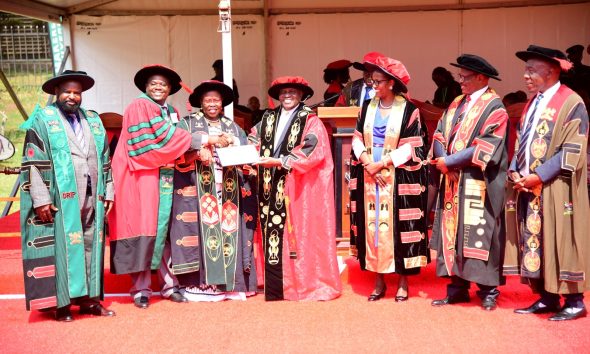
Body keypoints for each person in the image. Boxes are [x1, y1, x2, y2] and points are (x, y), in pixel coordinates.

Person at [20, 70, 115, 321]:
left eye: (77, 93)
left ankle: (89, 300)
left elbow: (105, 158)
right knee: (65, 247)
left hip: (93, 194)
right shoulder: (43, 120)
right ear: (56, 93)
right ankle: (62, 303)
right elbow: (32, 162)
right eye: (67, 92)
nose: (72, 97)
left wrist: (110, 190)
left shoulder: (93, 120)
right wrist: (41, 199)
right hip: (62, 197)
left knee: (90, 246)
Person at [505, 45, 589, 321]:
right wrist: (516, 169)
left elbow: (572, 150)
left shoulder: (571, 102)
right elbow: (523, 141)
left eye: (532, 70)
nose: (526, 75)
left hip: (558, 189)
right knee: (538, 239)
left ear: (552, 71)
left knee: (563, 239)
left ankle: (575, 300)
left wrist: (539, 175)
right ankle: (548, 297)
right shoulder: (534, 101)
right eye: (525, 69)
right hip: (531, 187)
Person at [110, 64, 201, 309]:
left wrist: (192, 152)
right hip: (140, 176)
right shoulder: (139, 106)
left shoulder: (171, 110)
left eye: (163, 84)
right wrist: (203, 139)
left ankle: (169, 285)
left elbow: (174, 145)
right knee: (145, 230)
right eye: (154, 83)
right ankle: (140, 289)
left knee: (165, 231)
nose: (158, 87)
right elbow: (158, 140)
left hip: (163, 176)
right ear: (145, 87)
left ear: (170, 89)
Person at [249, 76, 342, 301]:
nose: (287, 95)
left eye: (292, 91)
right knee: (272, 234)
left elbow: (313, 149)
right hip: (270, 185)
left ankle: (302, 284)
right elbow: (253, 138)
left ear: (301, 95)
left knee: (300, 234)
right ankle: (276, 284)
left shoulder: (310, 120)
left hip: (297, 187)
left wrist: (280, 162)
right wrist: (248, 153)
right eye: (283, 92)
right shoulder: (268, 118)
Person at [430, 54, 508, 311]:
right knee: (453, 233)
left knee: (480, 234)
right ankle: (457, 289)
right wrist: (443, 162)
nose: (460, 81)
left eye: (465, 77)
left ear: (482, 78)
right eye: (459, 76)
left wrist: (450, 163)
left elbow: (487, 145)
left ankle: (488, 291)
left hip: (478, 181)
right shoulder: (456, 103)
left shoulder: (494, 107)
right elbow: (439, 133)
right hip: (452, 182)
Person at [349, 56, 429, 302]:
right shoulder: (367, 107)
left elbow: (414, 147)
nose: (374, 85)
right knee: (372, 229)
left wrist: (382, 163)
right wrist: (366, 162)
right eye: (372, 81)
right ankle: (378, 279)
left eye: (378, 81)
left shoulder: (409, 110)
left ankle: (403, 281)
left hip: (398, 177)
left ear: (392, 83)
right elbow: (356, 137)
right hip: (370, 177)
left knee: (398, 229)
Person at [168, 80, 258, 301]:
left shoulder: (234, 127)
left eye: (216, 100)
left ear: (222, 103)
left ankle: (229, 285)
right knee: (204, 236)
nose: (212, 104)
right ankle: (202, 287)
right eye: (207, 100)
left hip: (228, 189)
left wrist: (242, 156)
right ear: (200, 102)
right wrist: (197, 152)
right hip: (197, 188)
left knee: (227, 233)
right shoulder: (186, 124)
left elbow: (246, 159)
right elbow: (175, 153)